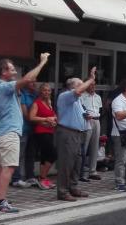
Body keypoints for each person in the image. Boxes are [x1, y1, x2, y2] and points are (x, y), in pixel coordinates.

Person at [0, 54, 51, 212]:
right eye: (12, 69)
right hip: (8, 132)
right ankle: (0, 202)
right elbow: (28, 79)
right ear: (3, 72)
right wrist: (43, 62)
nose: (15, 72)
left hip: (2, 131)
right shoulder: (4, 86)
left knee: (0, 166)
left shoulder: (0, 86)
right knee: (9, 167)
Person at [55, 68, 96, 201]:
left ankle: (73, 187)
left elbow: (78, 112)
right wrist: (90, 79)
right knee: (66, 163)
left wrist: (85, 116)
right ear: (72, 87)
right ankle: (62, 191)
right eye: (80, 84)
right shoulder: (65, 96)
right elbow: (78, 91)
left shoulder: (78, 100)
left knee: (77, 162)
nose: (83, 87)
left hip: (78, 133)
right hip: (68, 133)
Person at [29, 82, 59, 190]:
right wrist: (45, 119)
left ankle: (43, 179)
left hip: (50, 131)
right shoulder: (36, 103)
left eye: (48, 90)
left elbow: (53, 116)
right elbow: (31, 117)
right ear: (40, 91)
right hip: (41, 132)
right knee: (53, 154)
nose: (47, 92)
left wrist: (54, 121)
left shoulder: (49, 103)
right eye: (44, 90)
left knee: (45, 156)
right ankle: (41, 178)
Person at [11, 79, 38, 188]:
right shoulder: (22, 95)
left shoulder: (36, 95)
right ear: (26, 84)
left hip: (33, 128)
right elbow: (26, 114)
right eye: (32, 82)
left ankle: (30, 176)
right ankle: (16, 178)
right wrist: (40, 119)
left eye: (35, 82)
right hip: (23, 128)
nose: (34, 84)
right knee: (19, 154)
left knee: (31, 154)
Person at [80, 82, 103, 182]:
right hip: (87, 120)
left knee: (95, 146)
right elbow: (80, 109)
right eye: (90, 85)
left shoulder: (98, 97)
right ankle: (81, 171)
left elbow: (100, 109)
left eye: (94, 85)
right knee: (84, 146)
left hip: (97, 120)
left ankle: (92, 171)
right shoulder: (82, 96)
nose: (93, 87)